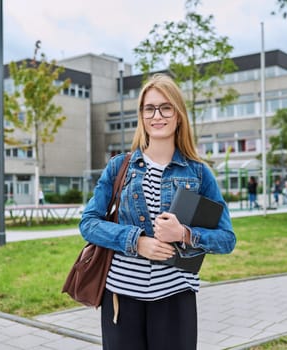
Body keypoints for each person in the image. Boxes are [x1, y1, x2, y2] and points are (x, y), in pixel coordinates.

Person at [79, 74, 236, 350]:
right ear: (141, 115)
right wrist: (136, 242)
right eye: (149, 108)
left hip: (175, 297)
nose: (157, 115)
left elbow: (227, 239)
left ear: (178, 115)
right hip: (121, 298)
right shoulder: (119, 167)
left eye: (166, 107)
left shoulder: (198, 173)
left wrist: (185, 234)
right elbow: (88, 224)